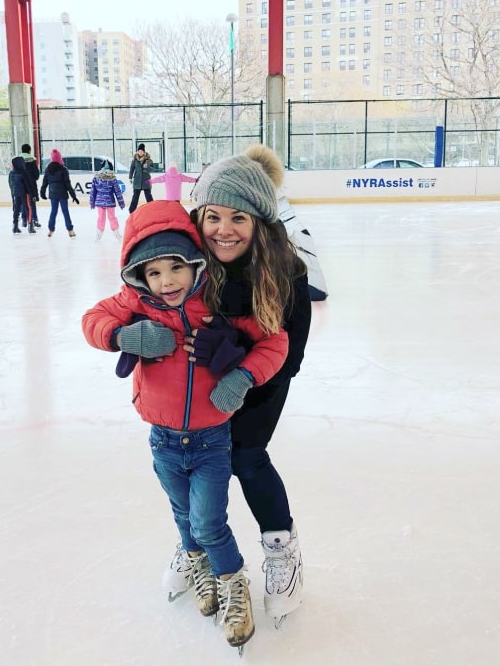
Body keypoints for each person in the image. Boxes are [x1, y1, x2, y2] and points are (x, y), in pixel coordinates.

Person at [81, 200, 289, 651]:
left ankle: (233, 583)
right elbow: (92, 321)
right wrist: (121, 335)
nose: (166, 281)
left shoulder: (218, 300)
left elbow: (275, 340)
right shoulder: (135, 302)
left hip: (213, 438)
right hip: (162, 439)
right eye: (153, 272)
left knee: (209, 521)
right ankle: (202, 567)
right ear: (138, 276)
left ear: (195, 263)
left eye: (176, 266)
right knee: (183, 517)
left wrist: (242, 375)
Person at [164, 143, 312, 626]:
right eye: (213, 216)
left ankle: (281, 553)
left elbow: (289, 359)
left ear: (260, 223)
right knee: (189, 464)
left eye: (239, 218)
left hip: (260, 386)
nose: (223, 230)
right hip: (198, 385)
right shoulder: (189, 264)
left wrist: (238, 364)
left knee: (244, 458)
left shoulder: (287, 273)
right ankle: (197, 549)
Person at [40, 148, 79, 238]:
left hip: (53, 194)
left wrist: (42, 192)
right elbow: (67, 184)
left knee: (53, 211)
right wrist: (74, 196)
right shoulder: (63, 169)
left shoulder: (48, 169)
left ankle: (50, 230)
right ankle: (70, 230)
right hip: (62, 194)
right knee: (65, 211)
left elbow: (45, 182)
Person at [89, 162, 125, 241]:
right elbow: (117, 191)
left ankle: (98, 235)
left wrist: (92, 202)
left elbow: (93, 191)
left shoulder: (96, 177)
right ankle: (116, 234)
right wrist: (121, 203)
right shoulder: (112, 178)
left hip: (99, 201)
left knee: (101, 218)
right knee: (112, 217)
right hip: (109, 201)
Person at [8, 155, 39, 235]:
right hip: (25, 193)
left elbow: (11, 185)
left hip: (16, 193)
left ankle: (15, 226)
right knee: (28, 208)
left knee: (17, 210)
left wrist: (13, 194)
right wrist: (33, 195)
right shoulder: (24, 172)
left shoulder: (11, 173)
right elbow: (29, 184)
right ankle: (30, 226)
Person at [20, 142, 41, 228]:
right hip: (31, 184)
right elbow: (36, 175)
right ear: (29, 151)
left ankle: (24, 220)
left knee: (23, 202)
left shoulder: (18, 160)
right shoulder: (33, 160)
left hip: (21, 184)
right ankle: (34, 219)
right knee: (32, 201)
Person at [127, 142, 153, 213]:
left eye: (142, 151)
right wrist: (130, 177)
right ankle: (131, 210)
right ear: (137, 151)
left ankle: (152, 209)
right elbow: (132, 169)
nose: (140, 152)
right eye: (139, 151)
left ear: (144, 152)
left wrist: (147, 167)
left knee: (148, 197)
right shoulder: (135, 160)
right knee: (135, 197)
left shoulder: (148, 160)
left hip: (146, 181)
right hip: (137, 181)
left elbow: (152, 169)